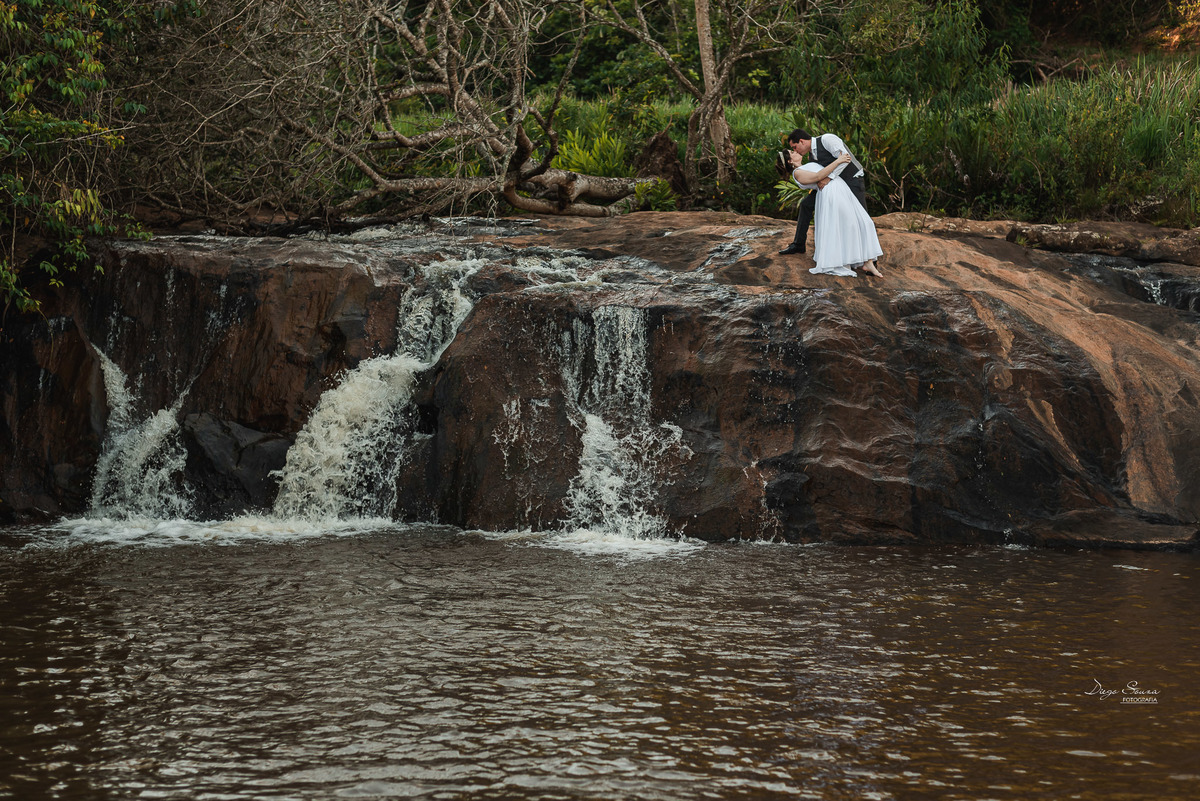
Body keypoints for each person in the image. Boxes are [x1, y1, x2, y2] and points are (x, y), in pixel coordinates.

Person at [789, 150, 883, 277]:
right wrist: (838, 161)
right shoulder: (797, 173)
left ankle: (868, 261)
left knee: (864, 222)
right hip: (831, 192)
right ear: (790, 161)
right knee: (849, 224)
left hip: (841, 188)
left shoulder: (809, 163)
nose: (795, 151)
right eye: (791, 152)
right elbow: (818, 177)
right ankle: (842, 260)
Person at [779, 129, 869, 256]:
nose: (795, 151)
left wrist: (829, 177)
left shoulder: (827, 139)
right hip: (832, 186)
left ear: (802, 141)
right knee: (806, 204)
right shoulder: (811, 156)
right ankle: (798, 244)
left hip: (852, 180)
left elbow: (846, 158)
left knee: (862, 217)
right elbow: (818, 175)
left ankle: (870, 259)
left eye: (795, 147)